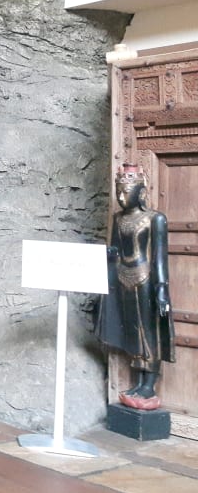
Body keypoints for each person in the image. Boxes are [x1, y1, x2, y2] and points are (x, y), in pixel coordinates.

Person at [96, 164, 175, 410]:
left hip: (145, 279)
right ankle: (138, 383)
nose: (121, 197)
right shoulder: (118, 218)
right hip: (123, 278)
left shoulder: (155, 219)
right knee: (131, 330)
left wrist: (161, 289)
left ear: (140, 193)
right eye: (118, 192)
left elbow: (159, 258)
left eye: (126, 191)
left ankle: (149, 385)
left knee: (148, 331)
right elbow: (114, 251)